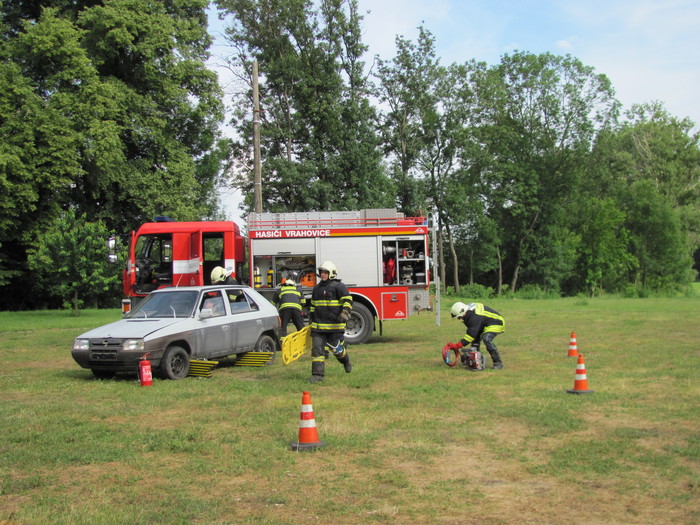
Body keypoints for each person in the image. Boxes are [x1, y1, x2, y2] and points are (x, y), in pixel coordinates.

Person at [308, 261, 353, 383]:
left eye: (325, 272)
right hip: (318, 327)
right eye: (321, 272)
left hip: (334, 327)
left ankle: (346, 361)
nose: (322, 274)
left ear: (331, 273)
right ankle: (317, 375)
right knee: (317, 350)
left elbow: (348, 300)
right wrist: (311, 318)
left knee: (336, 350)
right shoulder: (317, 288)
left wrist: (345, 312)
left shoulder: (339, 286)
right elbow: (313, 305)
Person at [449, 302, 505, 369]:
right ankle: (476, 360)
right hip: (485, 322)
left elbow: (470, 335)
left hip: (497, 322)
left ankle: (498, 362)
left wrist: (458, 345)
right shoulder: (468, 312)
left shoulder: (474, 316)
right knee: (475, 341)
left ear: (462, 312)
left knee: (486, 339)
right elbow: (473, 331)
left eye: (459, 317)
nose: (459, 319)